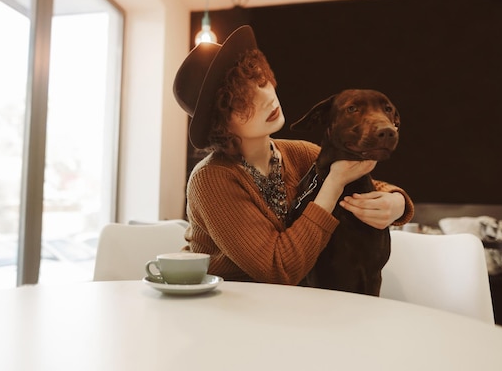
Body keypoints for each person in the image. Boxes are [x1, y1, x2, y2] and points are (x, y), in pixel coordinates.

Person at [173, 25, 414, 286]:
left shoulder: (299, 153)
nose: (267, 98)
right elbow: (278, 269)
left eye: (261, 81)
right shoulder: (212, 179)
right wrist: (332, 185)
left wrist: (397, 202)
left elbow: (360, 180)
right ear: (220, 124)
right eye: (243, 101)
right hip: (222, 304)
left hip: (289, 307)